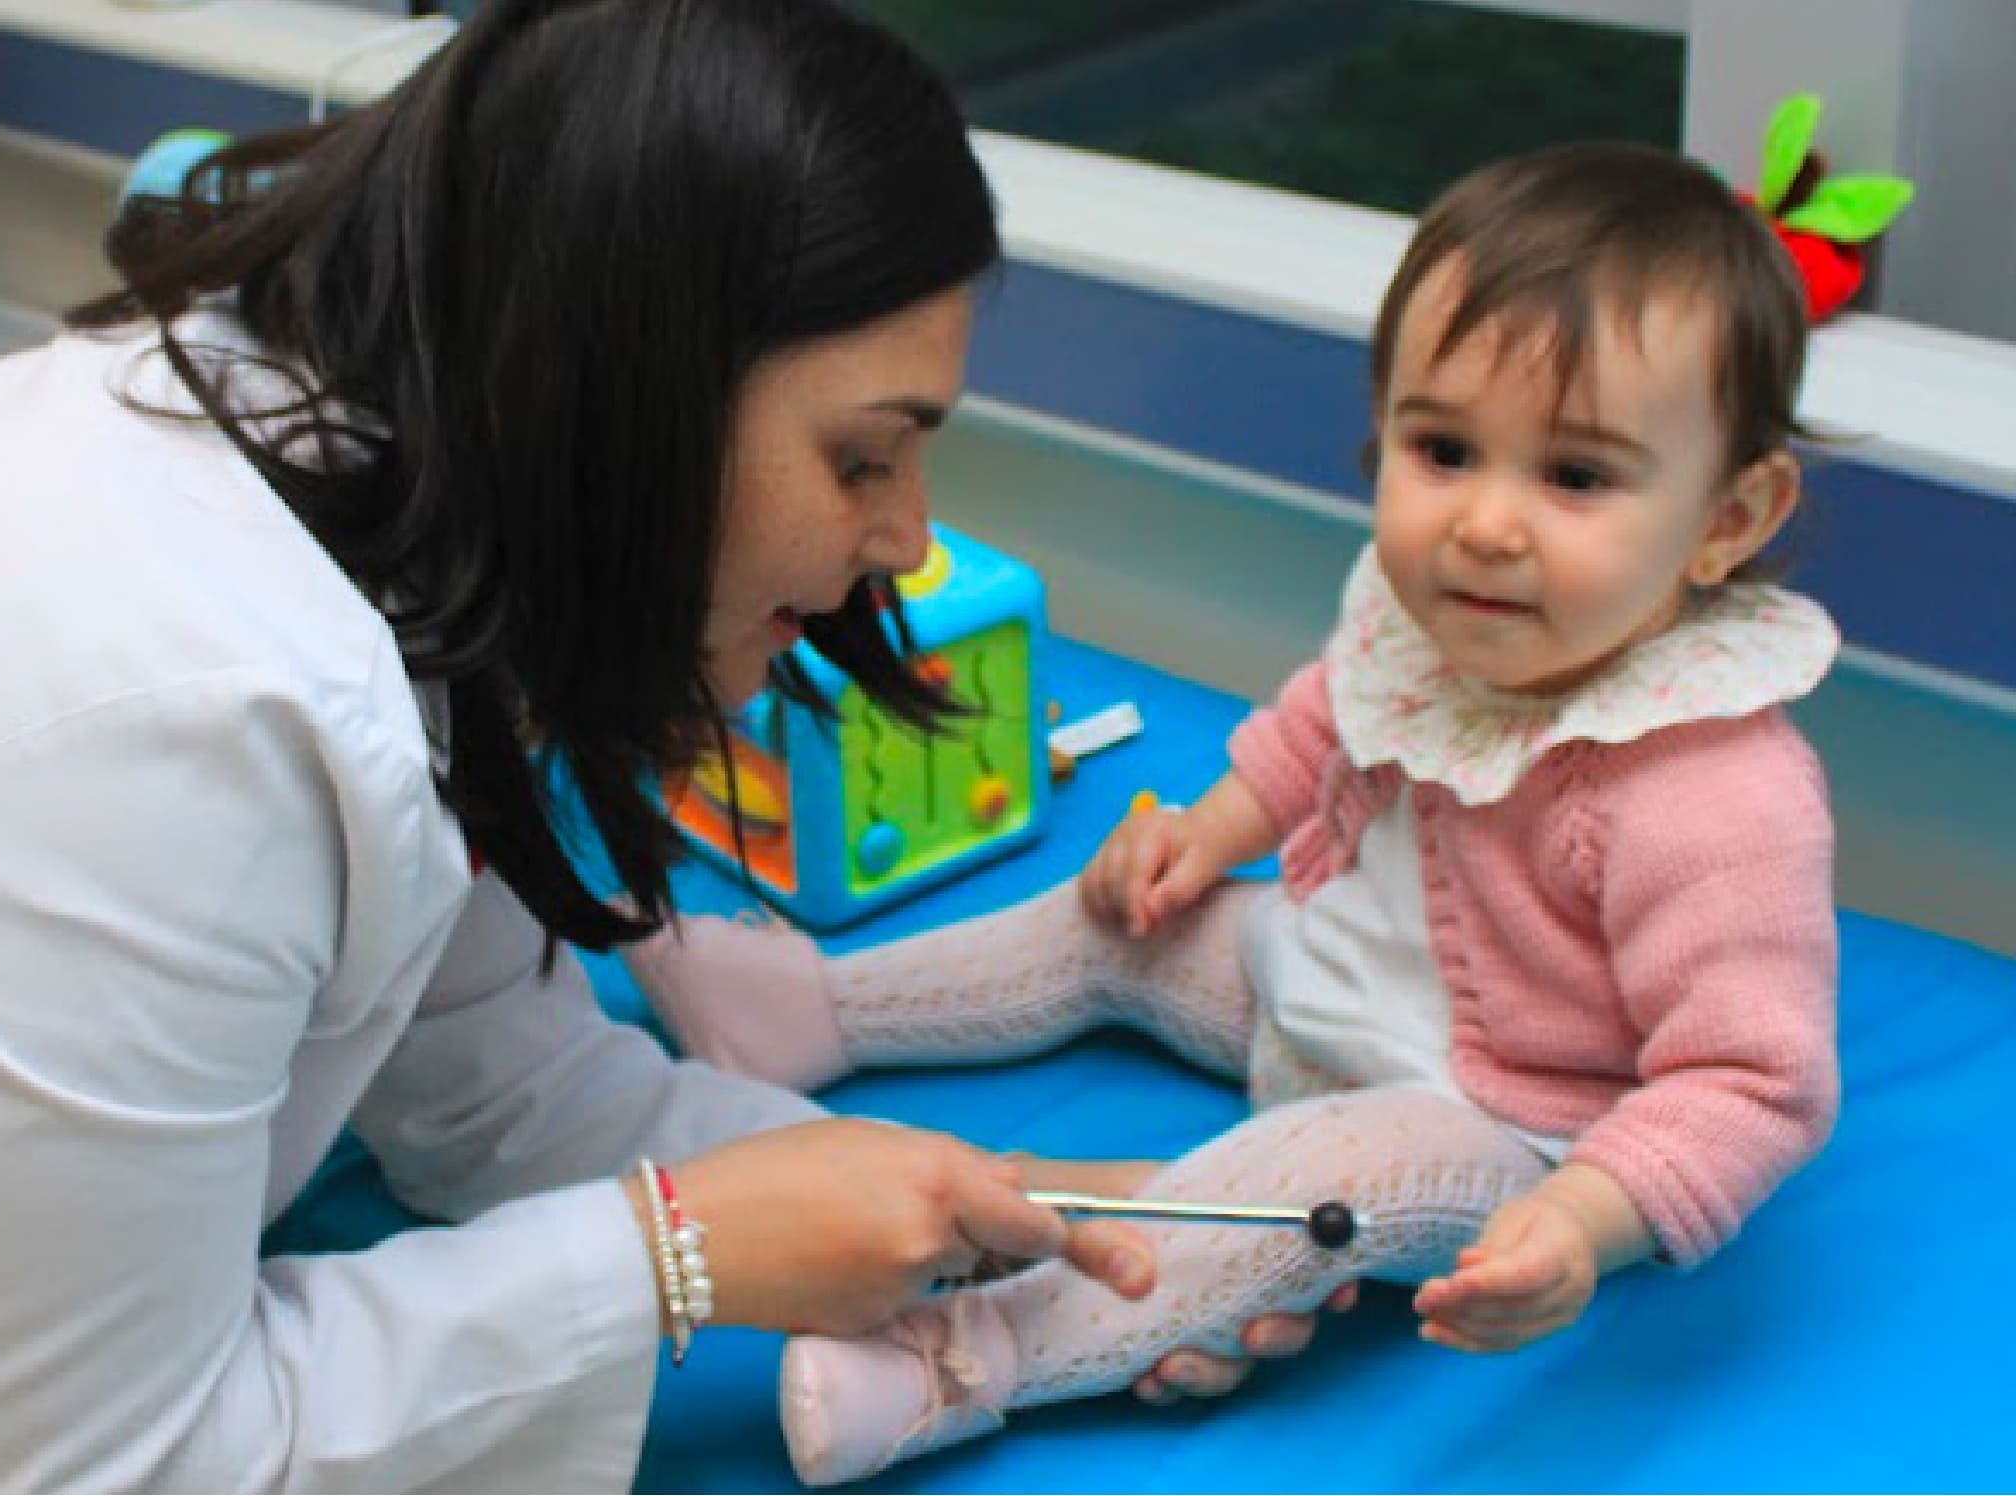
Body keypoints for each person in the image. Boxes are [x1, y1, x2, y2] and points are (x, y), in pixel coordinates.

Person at [0, 1, 1336, 1489]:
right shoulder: (164, 744)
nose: (905, 540)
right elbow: (108, 1462)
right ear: (624, 391)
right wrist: (673, 1257)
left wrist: (1023, 1214)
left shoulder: (370, 503)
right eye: (859, 454)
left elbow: (503, 1093)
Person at [626, 139, 1844, 1486]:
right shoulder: (1441, 617)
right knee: (1108, 922)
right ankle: (809, 1010)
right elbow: (1317, 728)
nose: (1487, 525)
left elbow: (1753, 1084)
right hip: (1316, 976)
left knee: (1296, 1186)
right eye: (1443, 449)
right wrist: (1203, 837)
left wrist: (1582, 1218)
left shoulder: (1709, 794)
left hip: (1500, 1126)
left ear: (1729, 517)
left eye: (1576, 478)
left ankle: (962, 1359)